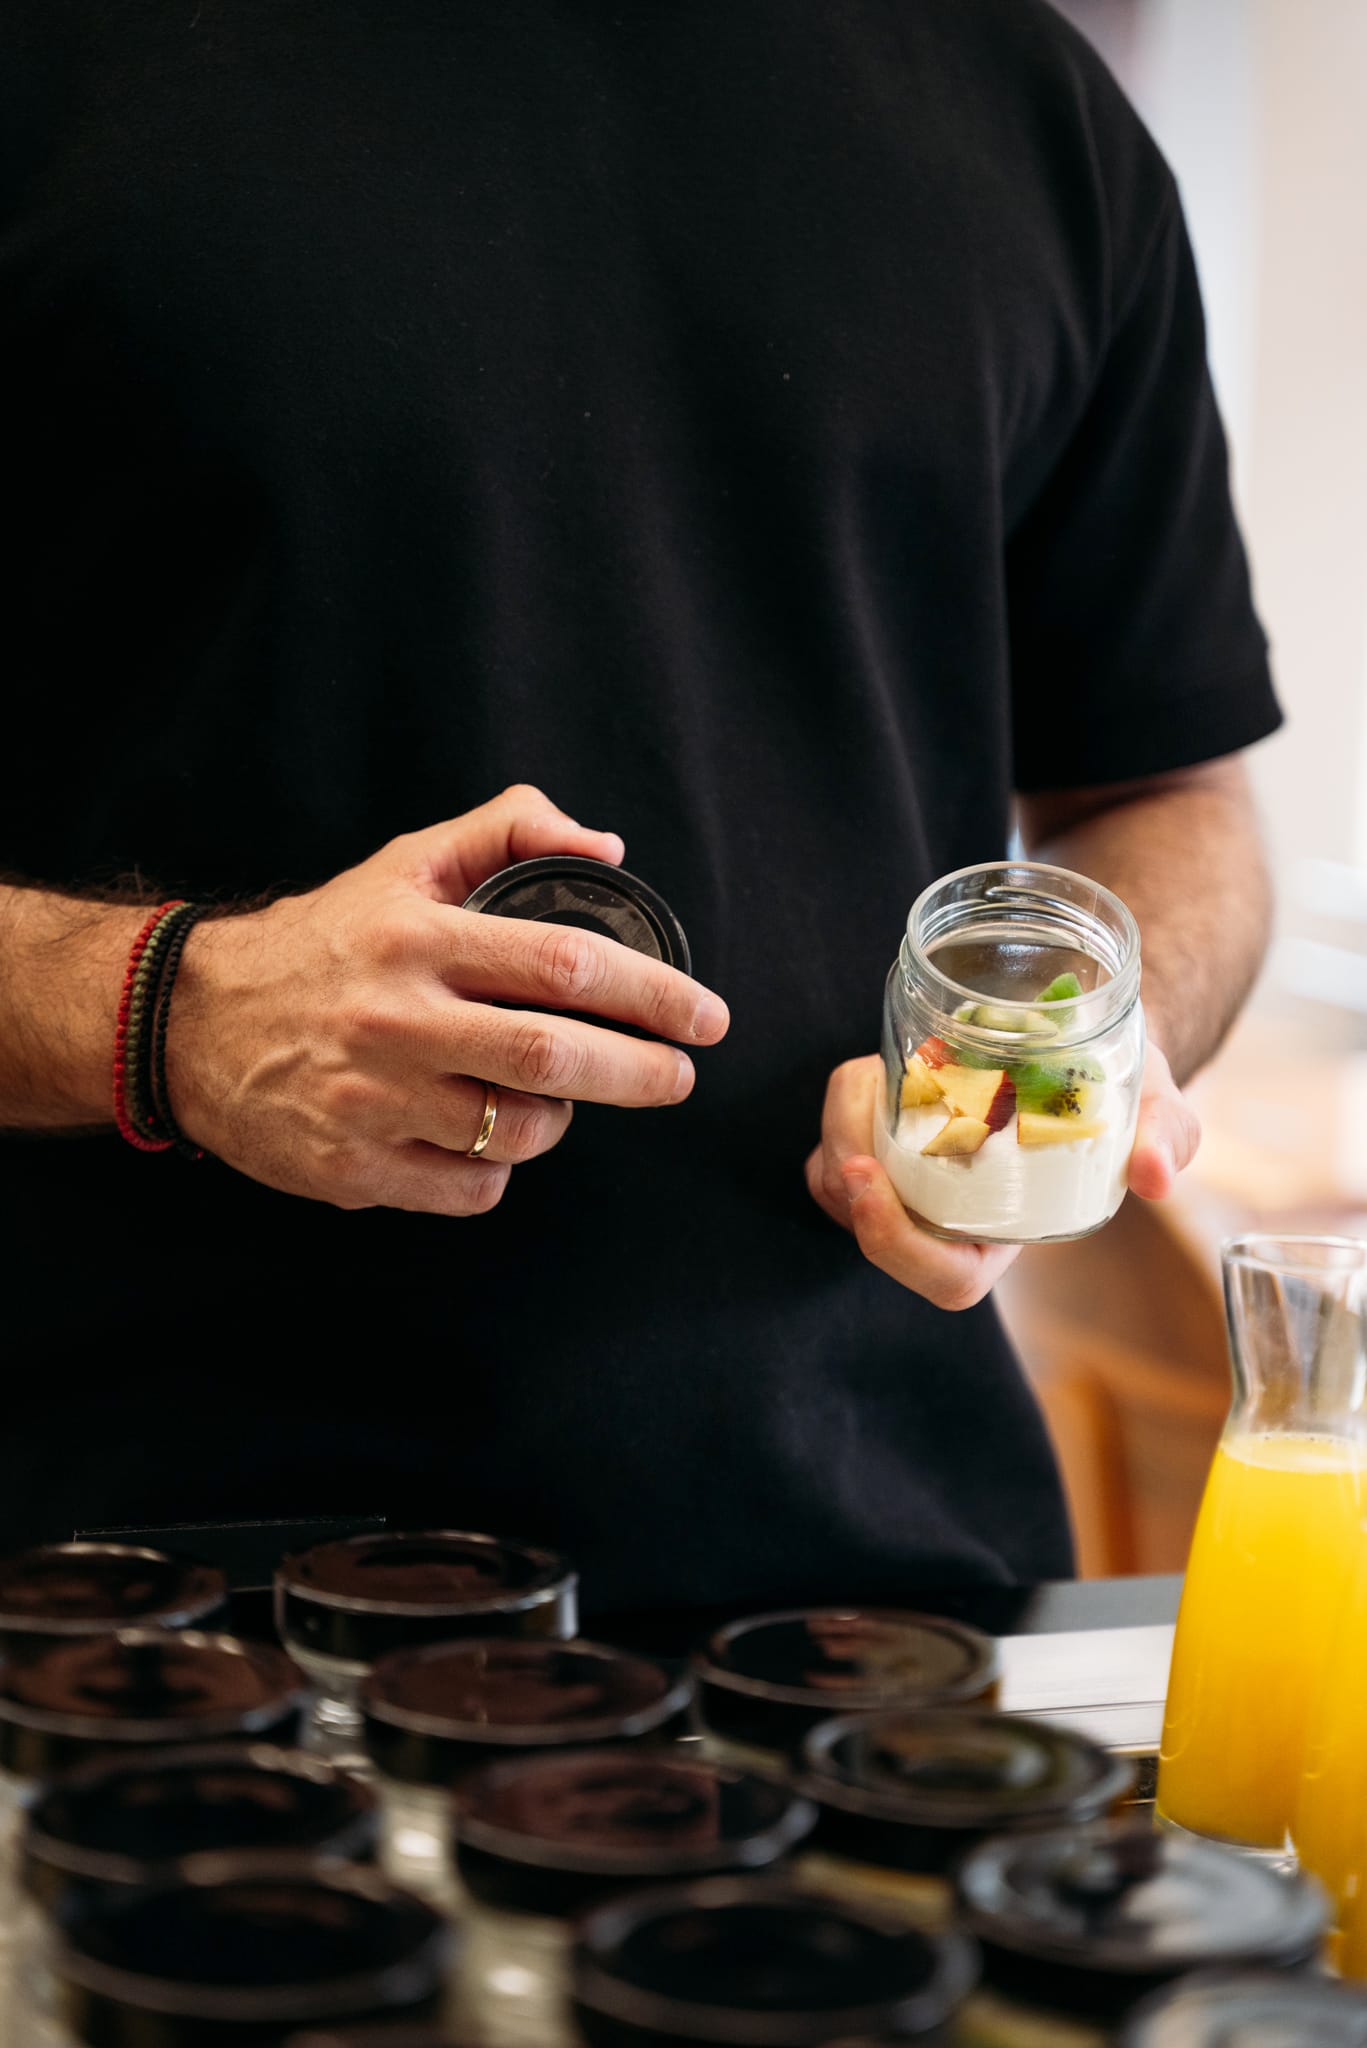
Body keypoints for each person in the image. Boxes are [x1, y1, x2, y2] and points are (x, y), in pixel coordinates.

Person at [0, 0, 1276, 1616]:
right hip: (143, 1607)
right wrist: (166, 1012)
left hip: (876, 1606)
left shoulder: (1029, 103)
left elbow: (1172, 794)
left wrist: (1074, 1061)